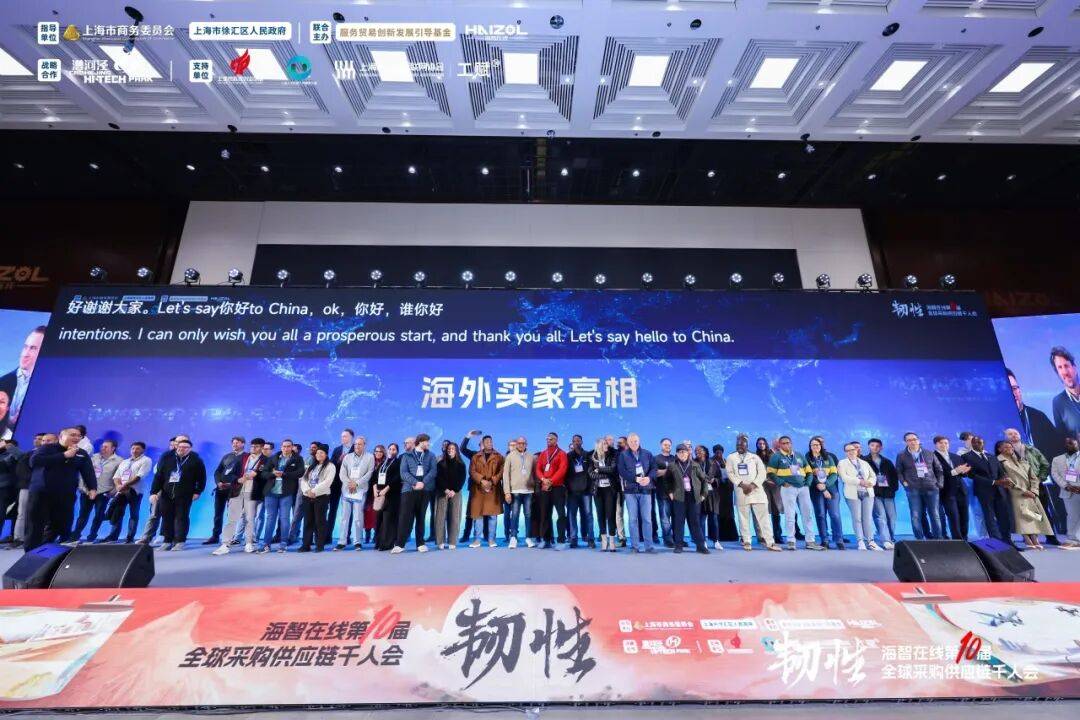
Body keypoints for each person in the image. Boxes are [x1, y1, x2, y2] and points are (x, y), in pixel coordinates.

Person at [24, 428, 94, 550]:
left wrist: (92, 488)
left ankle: (44, 549)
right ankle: (30, 553)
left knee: (60, 525)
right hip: (42, 493)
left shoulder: (81, 453)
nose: (76, 438)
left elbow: (88, 471)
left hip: (66, 494)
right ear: (61, 436)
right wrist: (64, 455)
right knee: (35, 525)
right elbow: (34, 461)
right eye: (73, 435)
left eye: (79, 436)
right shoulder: (47, 448)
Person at [149, 438, 206, 551]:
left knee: (181, 517)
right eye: (179, 447)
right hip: (166, 493)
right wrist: (153, 492)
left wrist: (197, 491)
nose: (181, 449)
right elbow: (158, 477)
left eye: (185, 447)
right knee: (166, 517)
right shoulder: (167, 458)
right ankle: (167, 541)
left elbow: (201, 478)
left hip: (185, 494)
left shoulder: (196, 461)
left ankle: (180, 541)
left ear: (190, 449)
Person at [1005, 426, 1059, 545]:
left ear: (1020, 435)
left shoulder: (1032, 450)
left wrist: (1039, 479)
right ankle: (1030, 538)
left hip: (1037, 485)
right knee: (1025, 512)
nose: (1014, 435)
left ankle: (1051, 537)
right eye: (1010, 434)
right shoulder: (1005, 453)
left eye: (1015, 433)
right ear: (1006, 437)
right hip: (1019, 488)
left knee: (1044, 511)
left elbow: (1045, 465)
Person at [767, 436, 821, 551]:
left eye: (788, 442)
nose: (786, 445)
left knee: (807, 514)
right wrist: (782, 483)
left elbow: (809, 471)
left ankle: (810, 541)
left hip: (803, 488)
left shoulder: (799, 455)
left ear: (791, 443)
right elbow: (770, 473)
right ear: (780, 445)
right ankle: (791, 541)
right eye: (783, 443)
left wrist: (808, 483)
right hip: (788, 488)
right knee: (790, 515)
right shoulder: (776, 456)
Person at [726, 435, 779, 552]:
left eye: (742, 444)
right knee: (743, 518)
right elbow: (730, 473)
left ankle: (770, 542)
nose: (739, 446)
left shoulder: (754, 457)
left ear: (747, 445)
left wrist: (752, 485)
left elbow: (762, 473)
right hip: (741, 491)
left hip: (757, 491)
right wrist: (742, 485)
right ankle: (747, 541)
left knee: (764, 518)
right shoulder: (731, 457)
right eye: (737, 444)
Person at [997, 440, 1053, 550]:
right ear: (1000, 449)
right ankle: (1027, 539)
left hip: (1031, 493)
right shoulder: (999, 461)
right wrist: (1023, 491)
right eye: (1006, 447)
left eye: (1010, 447)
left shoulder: (1022, 460)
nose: (1009, 449)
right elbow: (1006, 480)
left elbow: (1033, 477)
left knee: (1034, 515)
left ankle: (1035, 538)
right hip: (1016, 493)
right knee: (1022, 517)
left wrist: (1034, 491)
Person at [961, 435, 1013, 543]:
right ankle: (997, 542)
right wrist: (993, 482)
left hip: (999, 490)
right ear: (972, 444)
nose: (977, 444)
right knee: (990, 517)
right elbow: (971, 475)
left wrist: (1005, 479)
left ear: (983, 443)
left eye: (980, 442)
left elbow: (1000, 472)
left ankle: (1008, 541)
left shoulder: (991, 456)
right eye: (974, 442)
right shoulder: (966, 457)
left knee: (1004, 517)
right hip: (983, 491)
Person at [217, 438, 265, 554]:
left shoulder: (266, 460)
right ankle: (225, 544)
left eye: (256, 446)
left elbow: (266, 476)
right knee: (232, 519)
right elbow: (229, 474)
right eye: (252, 446)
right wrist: (237, 479)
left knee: (250, 519)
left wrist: (257, 474)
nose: (253, 448)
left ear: (262, 448)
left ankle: (249, 543)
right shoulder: (242, 458)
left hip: (252, 492)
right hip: (237, 491)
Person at [257, 439, 304, 554]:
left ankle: (283, 544)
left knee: (284, 519)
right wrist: (273, 474)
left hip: (286, 493)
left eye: (288, 446)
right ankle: (266, 544)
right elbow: (264, 473)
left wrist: (285, 474)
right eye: (284, 446)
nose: (286, 448)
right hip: (271, 493)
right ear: (281, 447)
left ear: (292, 447)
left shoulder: (298, 459)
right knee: (270, 518)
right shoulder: (273, 458)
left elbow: (301, 472)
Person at [895, 432, 944, 540]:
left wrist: (939, 484)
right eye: (909, 440)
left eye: (914, 439)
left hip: (931, 488)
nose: (912, 442)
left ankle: (938, 539)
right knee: (916, 515)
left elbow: (939, 470)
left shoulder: (929, 453)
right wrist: (904, 483)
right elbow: (899, 471)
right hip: (913, 489)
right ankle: (919, 540)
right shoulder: (901, 455)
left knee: (934, 515)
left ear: (918, 440)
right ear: (906, 442)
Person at [393, 433, 436, 553]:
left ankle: (420, 543)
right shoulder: (406, 456)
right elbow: (403, 473)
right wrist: (415, 482)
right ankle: (400, 544)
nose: (428, 444)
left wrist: (423, 483)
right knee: (404, 517)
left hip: (425, 490)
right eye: (427, 442)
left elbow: (433, 471)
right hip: (409, 490)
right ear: (420, 442)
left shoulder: (431, 455)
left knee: (421, 516)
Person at [102, 441, 151, 544]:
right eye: (133, 448)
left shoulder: (146, 460)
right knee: (118, 512)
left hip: (135, 491)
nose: (134, 450)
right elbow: (116, 476)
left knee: (134, 514)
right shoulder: (125, 461)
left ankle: (130, 537)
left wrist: (125, 485)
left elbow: (140, 476)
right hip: (122, 491)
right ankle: (113, 536)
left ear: (143, 450)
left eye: (137, 448)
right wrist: (118, 486)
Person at [664, 443, 709, 554]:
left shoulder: (695, 465)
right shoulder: (672, 466)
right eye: (680, 452)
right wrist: (670, 492)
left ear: (688, 453)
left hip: (693, 498)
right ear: (677, 454)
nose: (682, 454)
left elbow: (704, 480)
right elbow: (667, 480)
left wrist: (703, 494)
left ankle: (700, 546)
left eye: (684, 452)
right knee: (678, 522)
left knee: (695, 522)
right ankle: (678, 546)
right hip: (679, 498)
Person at [74, 439, 122, 543]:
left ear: (113, 448)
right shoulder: (93, 457)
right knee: (83, 515)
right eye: (102, 446)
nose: (102, 448)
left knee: (98, 516)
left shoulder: (119, 461)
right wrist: (82, 488)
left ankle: (92, 536)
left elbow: (120, 477)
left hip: (103, 493)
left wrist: (113, 491)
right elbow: (83, 472)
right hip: (87, 491)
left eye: (106, 447)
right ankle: (75, 535)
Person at [0, 326, 45, 436]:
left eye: (33, 348)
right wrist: (10, 422)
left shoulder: (48, 387)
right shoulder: (3, 382)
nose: (25, 354)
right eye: (25, 347)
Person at [463, 431, 504, 549]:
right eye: (487, 442)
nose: (489, 443)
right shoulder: (475, 456)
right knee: (478, 515)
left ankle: (491, 540)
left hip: (493, 489)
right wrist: (482, 481)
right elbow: (472, 471)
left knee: (492, 516)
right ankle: (477, 540)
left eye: (491, 441)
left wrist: (492, 481)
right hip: (478, 490)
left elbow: (501, 470)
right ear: (483, 443)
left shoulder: (499, 456)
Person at [617, 432, 656, 553]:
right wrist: (635, 479)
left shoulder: (647, 454)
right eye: (631, 441)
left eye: (636, 441)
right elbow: (621, 471)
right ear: (628, 443)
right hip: (630, 491)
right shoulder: (623, 455)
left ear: (639, 441)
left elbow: (654, 468)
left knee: (647, 519)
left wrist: (649, 478)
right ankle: (635, 546)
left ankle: (649, 546)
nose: (634, 443)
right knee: (633, 519)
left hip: (645, 490)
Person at [837, 442, 880, 551]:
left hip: (867, 493)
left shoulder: (864, 463)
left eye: (852, 450)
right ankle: (860, 541)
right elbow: (844, 478)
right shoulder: (842, 463)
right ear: (845, 452)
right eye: (848, 450)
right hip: (852, 494)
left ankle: (871, 541)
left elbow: (873, 476)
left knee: (867, 518)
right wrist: (860, 481)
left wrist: (870, 482)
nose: (851, 452)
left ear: (856, 450)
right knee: (857, 518)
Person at [1007, 368, 1060, 452]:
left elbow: (1058, 449)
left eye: (1014, 388)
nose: (1013, 394)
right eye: (1008, 390)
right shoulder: (998, 425)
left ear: (1019, 390)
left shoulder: (1039, 417)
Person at [205, 436, 246, 546]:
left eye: (237, 443)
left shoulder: (246, 457)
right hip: (221, 489)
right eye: (233, 443)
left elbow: (244, 475)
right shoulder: (227, 456)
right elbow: (218, 472)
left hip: (235, 489)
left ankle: (231, 537)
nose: (234, 444)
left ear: (243, 444)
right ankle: (215, 536)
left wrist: (232, 483)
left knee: (232, 515)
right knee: (218, 513)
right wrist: (218, 482)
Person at [337, 436, 374, 550]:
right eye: (356, 444)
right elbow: (342, 473)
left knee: (358, 517)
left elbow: (369, 473)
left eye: (360, 444)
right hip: (347, 490)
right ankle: (342, 541)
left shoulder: (370, 457)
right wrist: (349, 483)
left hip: (360, 490)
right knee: (344, 516)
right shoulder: (347, 457)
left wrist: (356, 483)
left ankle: (357, 541)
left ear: (364, 445)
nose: (357, 446)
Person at [807, 437, 843, 549]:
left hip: (831, 488)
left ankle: (839, 540)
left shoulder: (828, 457)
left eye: (818, 444)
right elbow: (809, 474)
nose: (816, 446)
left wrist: (825, 485)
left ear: (821, 446)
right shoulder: (807, 458)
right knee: (820, 514)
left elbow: (834, 474)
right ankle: (825, 540)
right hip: (816, 489)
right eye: (813, 445)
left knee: (835, 514)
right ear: (810, 446)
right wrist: (820, 486)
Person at [533, 432, 568, 549]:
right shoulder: (543, 453)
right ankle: (546, 539)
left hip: (558, 487)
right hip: (545, 487)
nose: (549, 441)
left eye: (551, 439)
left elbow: (562, 469)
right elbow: (538, 469)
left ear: (556, 440)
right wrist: (543, 479)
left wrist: (551, 481)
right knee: (545, 514)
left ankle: (561, 541)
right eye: (547, 439)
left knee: (561, 514)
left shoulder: (562, 454)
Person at [933, 435, 971, 540]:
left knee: (965, 516)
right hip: (946, 491)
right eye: (940, 443)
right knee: (953, 517)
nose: (944, 445)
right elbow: (935, 474)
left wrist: (964, 471)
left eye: (946, 443)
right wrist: (954, 472)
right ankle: (957, 540)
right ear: (935, 444)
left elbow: (963, 474)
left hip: (961, 490)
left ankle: (965, 538)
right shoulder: (932, 457)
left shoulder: (956, 456)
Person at [299, 444, 335, 552]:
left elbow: (327, 482)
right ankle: (306, 545)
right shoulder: (312, 466)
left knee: (320, 521)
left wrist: (313, 491)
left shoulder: (330, 466)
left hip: (321, 497)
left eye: (321, 453)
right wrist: (307, 490)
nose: (319, 454)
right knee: (307, 521)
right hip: (307, 497)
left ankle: (320, 545)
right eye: (317, 453)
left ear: (326, 454)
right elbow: (304, 480)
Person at [864, 439, 898, 549]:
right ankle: (886, 540)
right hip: (874, 493)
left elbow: (894, 476)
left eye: (878, 446)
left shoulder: (887, 461)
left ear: (881, 448)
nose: (875, 447)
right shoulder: (864, 461)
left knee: (892, 517)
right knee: (880, 516)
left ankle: (891, 538)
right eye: (872, 445)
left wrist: (893, 489)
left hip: (888, 493)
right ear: (869, 446)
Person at [435, 441, 466, 550]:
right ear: (446, 450)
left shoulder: (461, 464)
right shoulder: (440, 463)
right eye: (449, 448)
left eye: (453, 449)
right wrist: (446, 490)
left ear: (456, 451)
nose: (450, 450)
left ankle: (452, 541)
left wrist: (454, 490)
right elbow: (438, 478)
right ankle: (440, 541)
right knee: (440, 517)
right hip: (442, 492)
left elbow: (462, 479)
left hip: (455, 493)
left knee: (454, 517)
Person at [588, 437, 618, 551]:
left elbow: (612, 469)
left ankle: (612, 541)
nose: (607, 445)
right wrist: (605, 472)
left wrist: (599, 469)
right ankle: (604, 541)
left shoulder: (612, 455)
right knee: (600, 516)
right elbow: (591, 474)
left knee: (611, 515)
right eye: (604, 443)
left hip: (610, 490)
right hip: (598, 490)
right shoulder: (592, 458)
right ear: (599, 446)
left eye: (606, 443)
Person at [1049, 437, 1080, 548]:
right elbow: (1055, 474)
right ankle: (1073, 539)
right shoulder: (1057, 459)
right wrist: (1066, 486)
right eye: (1067, 443)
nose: (1069, 445)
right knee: (1072, 515)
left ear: (1077, 443)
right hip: (1068, 491)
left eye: (1071, 443)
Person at [565, 434, 595, 549]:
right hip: (572, 492)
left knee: (588, 515)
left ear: (582, 442)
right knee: (572, 515)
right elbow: (565, 474)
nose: (576, 442)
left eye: (578, 440)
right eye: (574, 441)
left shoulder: (587, 455)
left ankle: (590, 539)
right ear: (572, 443)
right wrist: (568, 488)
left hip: (586, 491)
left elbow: (591, 473)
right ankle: (573, 538)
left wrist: (590, 488)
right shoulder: (568, 456)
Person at [327, 429, 354, 548]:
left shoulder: (356, 449)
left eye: (345, 436)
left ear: (351, 437)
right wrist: (339, 460)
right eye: (342, 436)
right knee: (332, 510)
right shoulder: (337, 449)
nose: (343, 438)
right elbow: (331, 464)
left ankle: (346, 536)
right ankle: (327, 536)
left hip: (349, 484)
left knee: (348, 511)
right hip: (336, 484)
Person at [755, 436, 784, 543]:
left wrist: (776, 480)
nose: (761, 445)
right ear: (757, 445)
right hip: (762, 486)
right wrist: (765, 479)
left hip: (775, 486)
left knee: (776, 511)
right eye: (759, 444)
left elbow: (778, 468)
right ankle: (765, 536)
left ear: (766, 444)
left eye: (763, 443)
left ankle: (778, 535)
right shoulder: (754, 457)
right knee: (764, 511)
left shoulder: (773, 455)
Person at [375, 443, 401, 551]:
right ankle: (378, 542)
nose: (391, 451)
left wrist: (386, 489)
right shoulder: (384, 463)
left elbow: (397, 478)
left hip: (392, 495)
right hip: (380, 494)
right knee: (379, 519)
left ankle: (387, 543)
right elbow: (376, 476)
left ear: (397, 451)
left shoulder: (398, 462)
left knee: (388, 520)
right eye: (390, 449)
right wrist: (376, 489)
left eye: (394, 449)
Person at [1050, 347, 1080, 442]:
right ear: (1058, 373)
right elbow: (1063, 441)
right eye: (1060, 367)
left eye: (1066, 366)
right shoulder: (1058, 402)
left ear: (1074, 367)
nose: (1065, 372)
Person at [653, 438, 675, 548]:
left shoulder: (675, 458)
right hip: (662, 492)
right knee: (665, 518)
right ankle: (667, 540)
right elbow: (654, 473)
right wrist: (668, 471)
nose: (667, 446)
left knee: (676, 517)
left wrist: (665, 471)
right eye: (665, 444)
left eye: (669, 445)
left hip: (675, 492)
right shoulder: (656, 459)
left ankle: (677, 538)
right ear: (661, 445)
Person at [0, 437, 23, 541]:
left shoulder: (11, 456)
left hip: (5, 489)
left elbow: (21, 457)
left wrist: (8, 446)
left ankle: (15, 536)